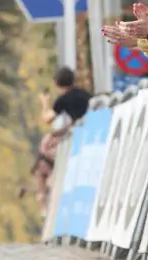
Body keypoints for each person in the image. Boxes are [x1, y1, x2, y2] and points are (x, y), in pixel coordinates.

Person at [33, 67, 92, 216]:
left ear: (56, 83)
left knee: (44, 151)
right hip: (92, 133)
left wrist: (44, 103)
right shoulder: (85, 95)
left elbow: (47, 119)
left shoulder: (64, 99)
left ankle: (44, 197)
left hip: (80, 139)